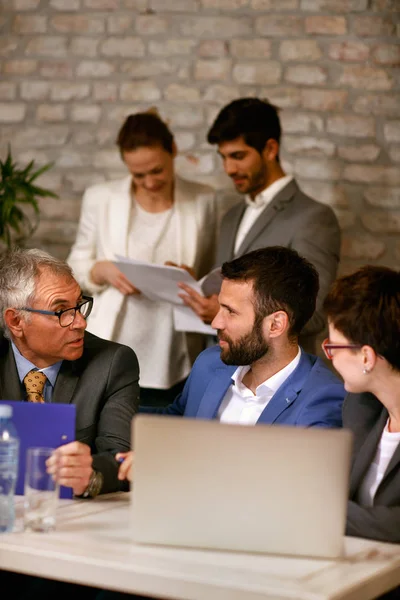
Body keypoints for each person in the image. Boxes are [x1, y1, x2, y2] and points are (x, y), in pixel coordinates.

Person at [117, 246, 345, 482]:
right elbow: (176, 421)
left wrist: (170, 463)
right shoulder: (210, 363)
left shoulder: (322, 400)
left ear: (276, 324)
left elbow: (293, 489)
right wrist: (100, 409)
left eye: (230, 312)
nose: (216, 321)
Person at [67, 110, 217, 407]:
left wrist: (190, 274)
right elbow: (75, 265)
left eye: (157, 171)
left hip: (173, 352)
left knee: (162, 435)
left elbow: (211, 270)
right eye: (138, 175)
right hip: (112, 343)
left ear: (173, 150)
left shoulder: (204, 199)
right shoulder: (101, 198)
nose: (149, 182)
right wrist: (102, 270)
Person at [178, 97, 341, 354]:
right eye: (224, 157)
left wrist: (226, 313)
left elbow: (314, 315)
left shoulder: (314, 218)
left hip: (278, 378)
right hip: (221, 368)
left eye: (238, 156)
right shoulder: (232, 216)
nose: (229, 168)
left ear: (270, 149)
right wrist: (195, 285)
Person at [0, 247, 139, 498]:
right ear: (16, 322)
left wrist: (90, 476)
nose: (80, 323)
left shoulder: (112, 363)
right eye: (62, 311)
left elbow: (120, 457)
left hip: (70, 513)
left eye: (79, 305)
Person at [322, 265, 400, 545]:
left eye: (333, 346)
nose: (330, 357)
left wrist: (318, 511)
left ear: (366, 357)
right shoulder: (360, 406)